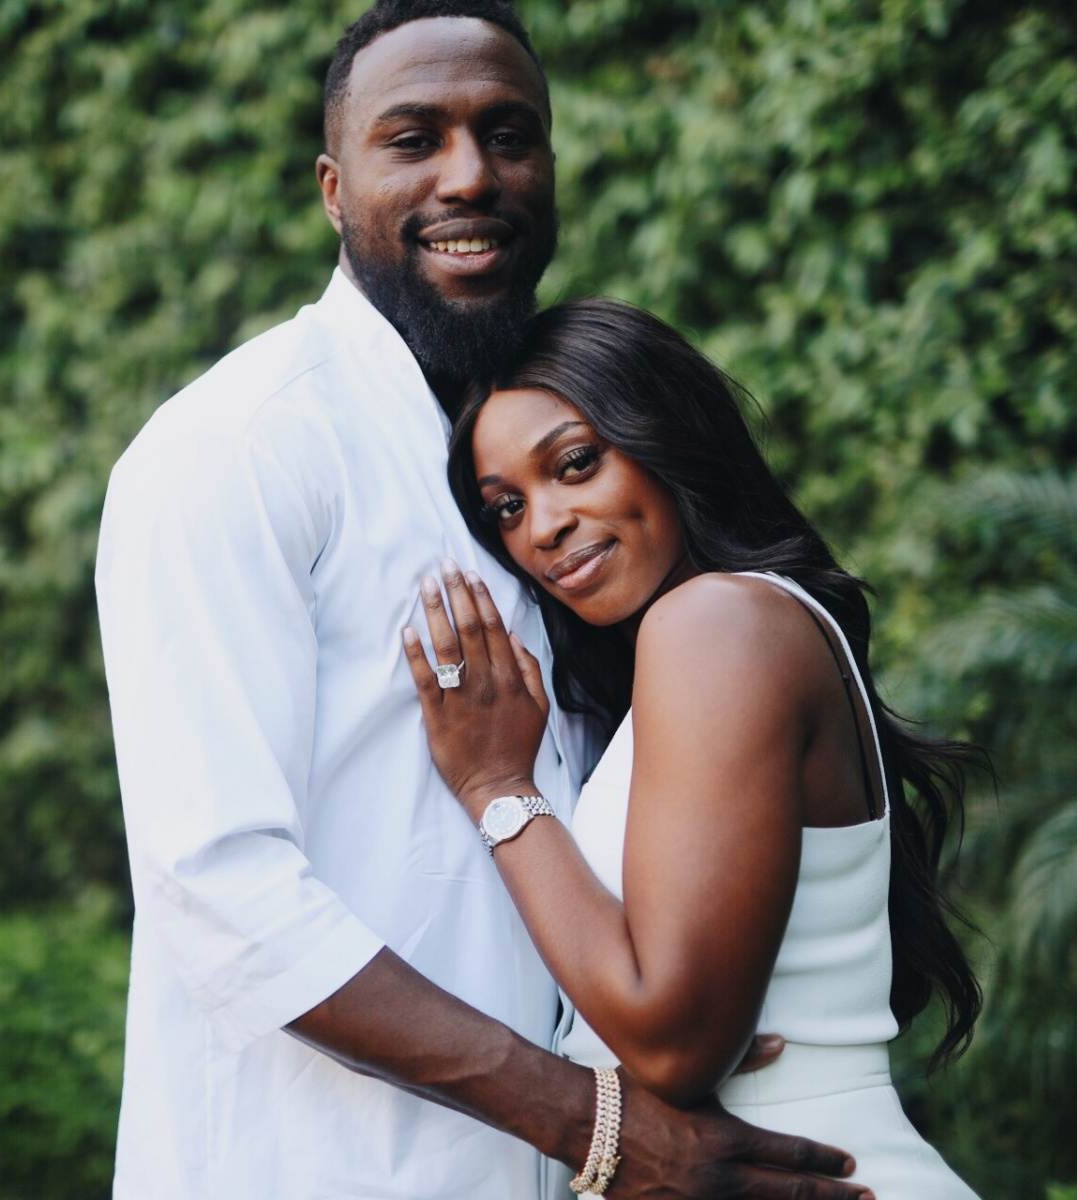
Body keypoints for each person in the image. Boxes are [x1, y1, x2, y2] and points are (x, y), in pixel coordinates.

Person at [95, 2, 875, 1197]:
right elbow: (216, 892)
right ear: (332, 190)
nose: (471, 175)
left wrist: (695, 1055)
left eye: (510, 135)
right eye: (414, 139)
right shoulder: (240, 448)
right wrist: (592, 1119)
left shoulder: (556, 459)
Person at [402, 297, 985, 1197]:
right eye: (506, 507)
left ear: (667, 436)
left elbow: (674, 1043)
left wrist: (496, 786)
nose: (543, 526)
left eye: (576, 463)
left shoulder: (715, 622)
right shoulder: (714, 645)